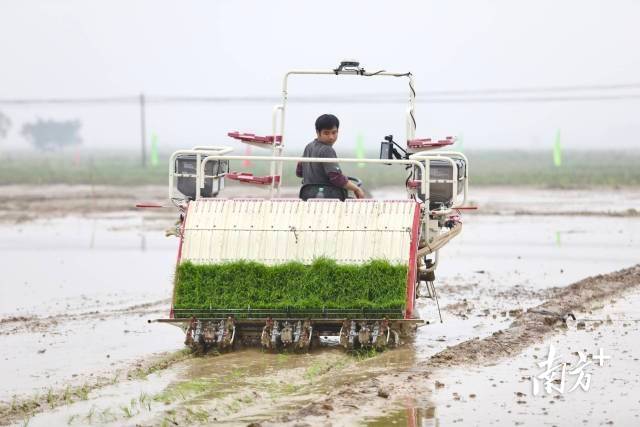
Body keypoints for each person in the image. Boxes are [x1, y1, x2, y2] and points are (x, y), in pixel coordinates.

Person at [296, 114, 365, 200]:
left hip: (307, 196)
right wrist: (356, 189)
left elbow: (299, 173)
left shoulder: (309, 146)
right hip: (328, 197)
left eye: (334, 132)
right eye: (326, 133)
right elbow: (336, 179)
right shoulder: (327, 150)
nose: (331, 137)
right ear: (318, 132)